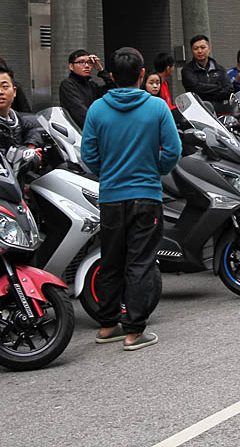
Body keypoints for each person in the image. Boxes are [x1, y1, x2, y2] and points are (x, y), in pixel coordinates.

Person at [81, 47, 181, 351]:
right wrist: (155, 170)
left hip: (111, 197)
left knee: (111, 260)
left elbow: (88, 155)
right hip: (146, 195)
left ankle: (108, 325)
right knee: (140, 262)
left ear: (111, 76)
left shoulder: (97, 109)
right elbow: (173, 151)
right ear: (141, 74)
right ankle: (134, 331)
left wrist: (108, 173)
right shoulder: (157, 108)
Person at [59, 49, 114, 129]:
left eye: (89, 62)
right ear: (71, 66)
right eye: (81, 62)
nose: (87, 66)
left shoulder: (91, 85)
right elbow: (80, 112)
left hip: (93, 128)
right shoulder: (68, 85)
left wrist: (101, 70)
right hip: (79, 132)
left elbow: (113, 90)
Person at [180, 35, 233, 103]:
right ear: (192, 51)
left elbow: (229, 90)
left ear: (209, 49)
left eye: (203, 47)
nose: (199, 51)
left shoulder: (219, 69)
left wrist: (206, 95)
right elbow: (196, 89)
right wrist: (219, 86)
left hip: (218, 110)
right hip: (197, 110)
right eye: (195, 48)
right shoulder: (187, 70)